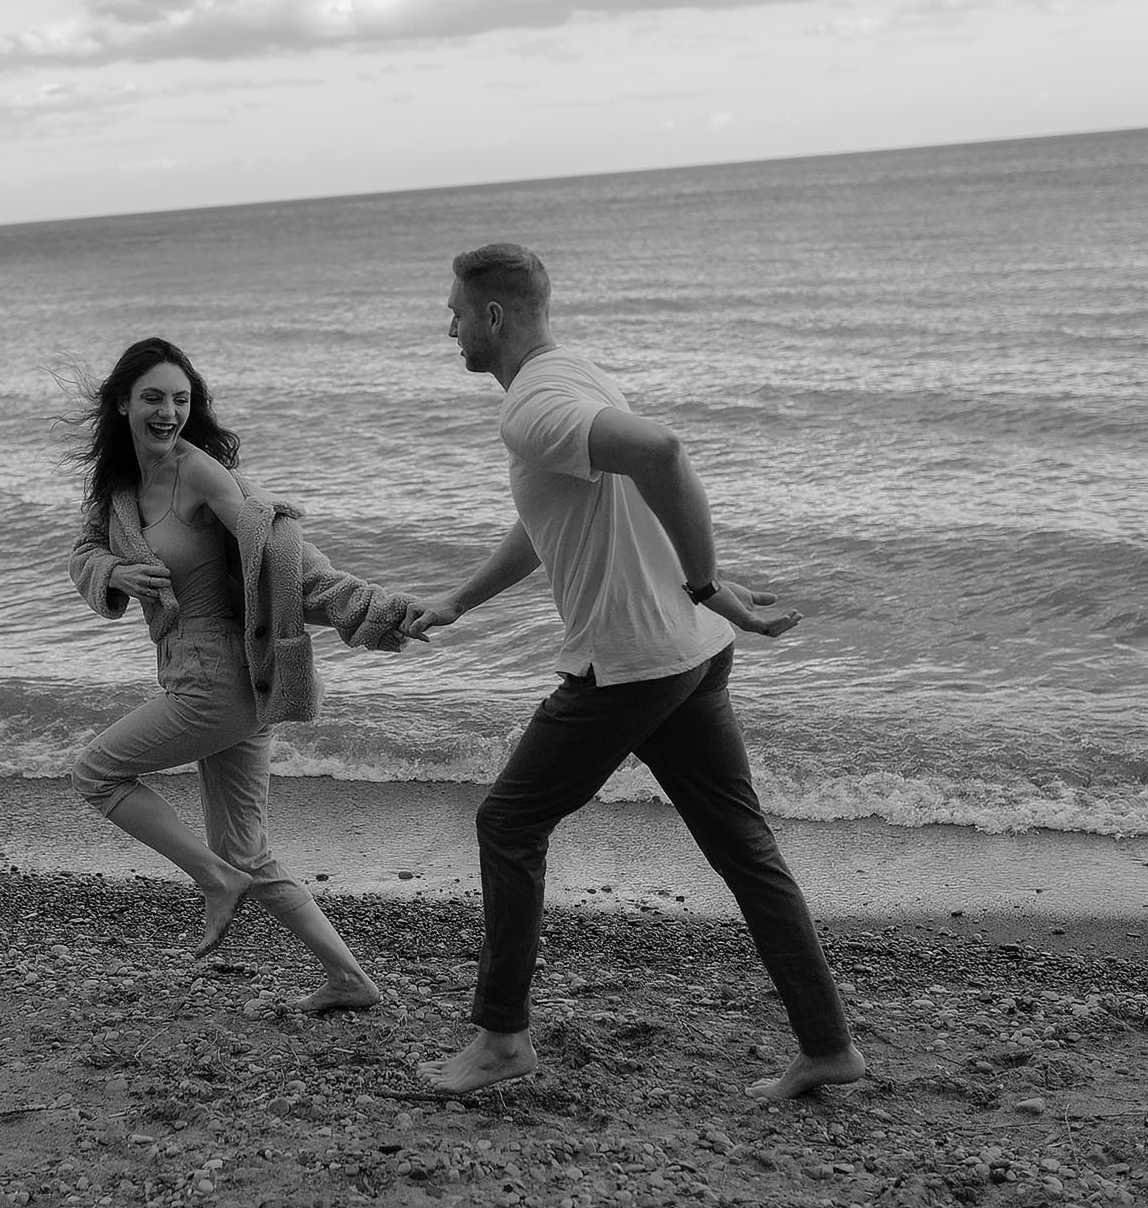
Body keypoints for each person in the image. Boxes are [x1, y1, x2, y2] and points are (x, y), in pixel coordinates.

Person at [408, 244, 867, 1099]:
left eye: (456, 313)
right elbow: (551, 513)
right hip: (690, 654)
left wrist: (707, 581)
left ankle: (501, 1040)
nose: (450, 328)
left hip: (630, 664)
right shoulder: (572, 377)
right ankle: (829, 1045)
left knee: (508, 823)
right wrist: (459, 600)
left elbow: (662, 451)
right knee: (745, 849)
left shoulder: (532, 406)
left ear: (492, 317)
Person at [63, 336, 428, 1014]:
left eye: (181, 399)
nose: (169, 411)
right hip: (215, 682)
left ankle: (211, 877)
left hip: (217, 680)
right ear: (122, 404)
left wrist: (375, 609)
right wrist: (115, 571)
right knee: (248, 850)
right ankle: (350, 978)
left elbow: (280, 554)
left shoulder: (202, 473)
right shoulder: (117, 490)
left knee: (96, 773)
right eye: (153, 397)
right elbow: (85, 551)